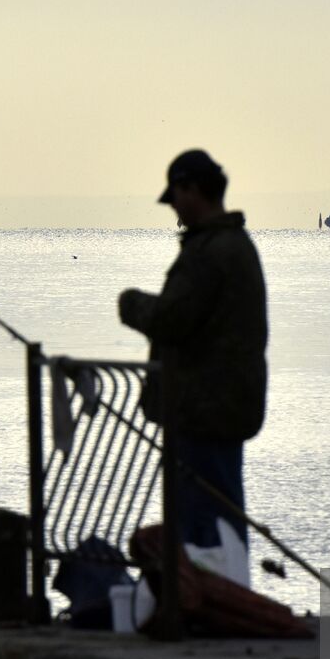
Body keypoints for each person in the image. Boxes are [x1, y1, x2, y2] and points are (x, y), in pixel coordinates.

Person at [118, 149, 268, 571]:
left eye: (176, 197)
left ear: (193, 189)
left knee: (204, 518)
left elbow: (173, 318)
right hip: (225, 404)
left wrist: (130, 304)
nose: (174, 209)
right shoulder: (236, 246)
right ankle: (224, 596)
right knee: (220, 512)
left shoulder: (210, 252)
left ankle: (211, 601)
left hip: (203, 408)